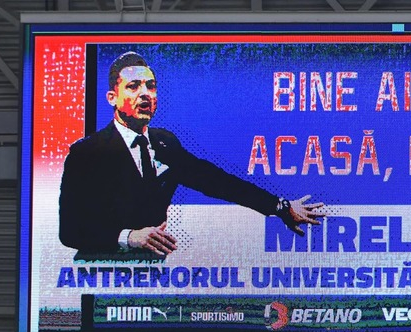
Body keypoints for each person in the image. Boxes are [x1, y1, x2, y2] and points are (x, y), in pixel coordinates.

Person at [58, 51, 324, 258]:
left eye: (151, 86)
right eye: (133, 86)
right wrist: (128, 236)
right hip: (100, 273)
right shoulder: (87, 153)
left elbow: (217, 181)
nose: (145, 95)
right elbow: (70, 231)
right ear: (111, 97)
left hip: (155, 268)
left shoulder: (164, 143)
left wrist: (281, 207)